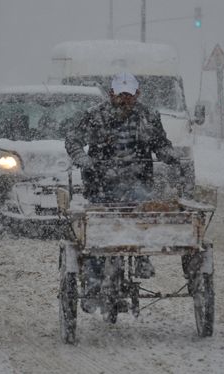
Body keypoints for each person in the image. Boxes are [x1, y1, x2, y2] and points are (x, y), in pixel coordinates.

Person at [65, 72, 181, 311]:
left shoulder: (149, 116)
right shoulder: (94, 116)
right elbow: (73, 140)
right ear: (111, 94)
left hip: (138, 181)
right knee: (98, 234)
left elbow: (161, 143)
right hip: (100, 183)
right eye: (121, 95)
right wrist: (83, 159)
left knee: (141, 210)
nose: (125, 100)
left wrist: (168, 155)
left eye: (130, 95)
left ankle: (141, 256)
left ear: (137, 94)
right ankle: (93, 285)